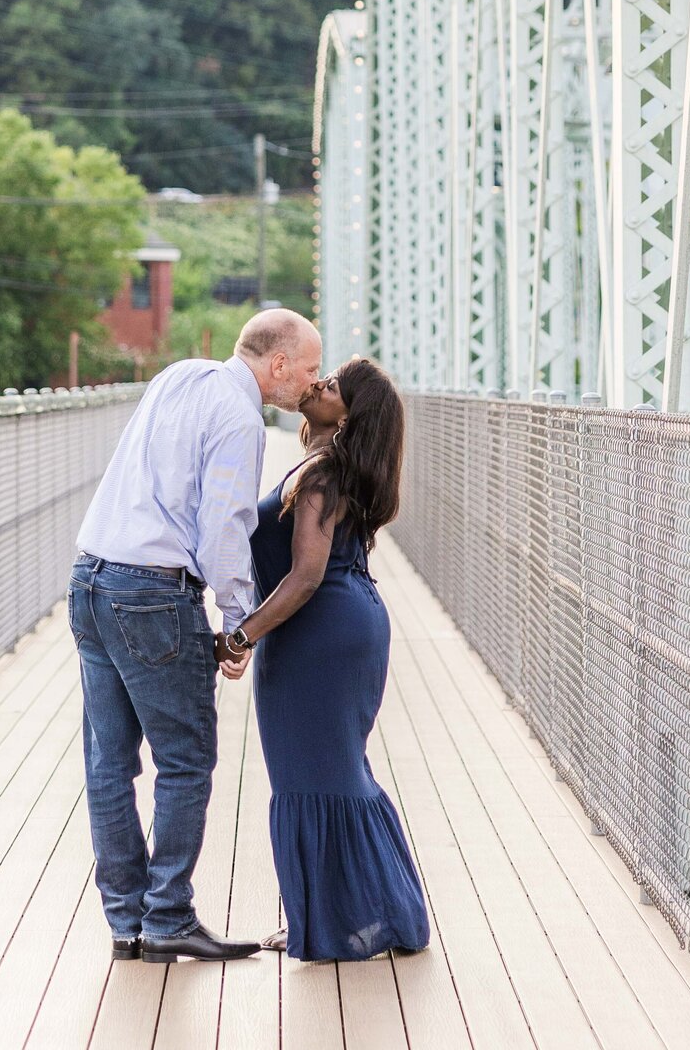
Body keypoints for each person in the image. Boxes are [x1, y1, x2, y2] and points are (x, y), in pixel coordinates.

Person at [67, 309, 322, 965]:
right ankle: (169, 917)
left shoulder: (179, 376)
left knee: (110, 763)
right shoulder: (241, 419)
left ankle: (129, 922)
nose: (314, 383)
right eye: (312, 369)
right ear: (280, 365)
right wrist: (240, 627)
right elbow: (222, 533)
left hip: (91, 578)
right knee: (185, 758)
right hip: (151, 593)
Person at [228, 356, 430, 962]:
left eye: (333, 384)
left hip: (318, 630)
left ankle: (333, 922)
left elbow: (306, 575)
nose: (319, 383)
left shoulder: (323, 476)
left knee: (313, 776)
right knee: (335, 772)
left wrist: (241, 636)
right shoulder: (326, 465)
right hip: (342, 625)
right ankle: (360, 915)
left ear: (350, 413)